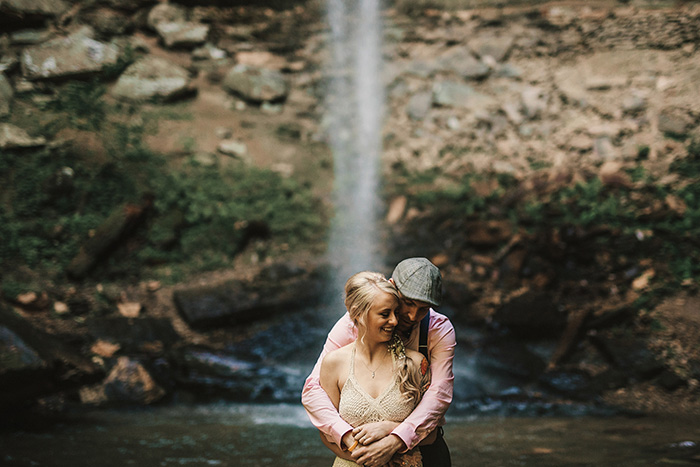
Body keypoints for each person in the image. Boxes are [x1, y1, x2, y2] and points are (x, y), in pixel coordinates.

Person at [302, 258, 455, 467]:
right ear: (391, 287)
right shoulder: (353, 322)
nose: (412, 315)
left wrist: (395, 438)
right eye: (408, 303)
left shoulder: (438, 330)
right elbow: (313, 388)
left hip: (423, 449)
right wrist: (347, 438)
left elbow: (439, 395)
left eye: (423, 308)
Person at [318, 271, 430, 467]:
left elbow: (431, 435)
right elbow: (326, 435)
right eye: (385, 314)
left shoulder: (416, 363)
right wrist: (368, 458)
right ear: (358, 314)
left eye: (396, 312)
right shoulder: (333, 363)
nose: (395, 321)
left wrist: (391, 430)